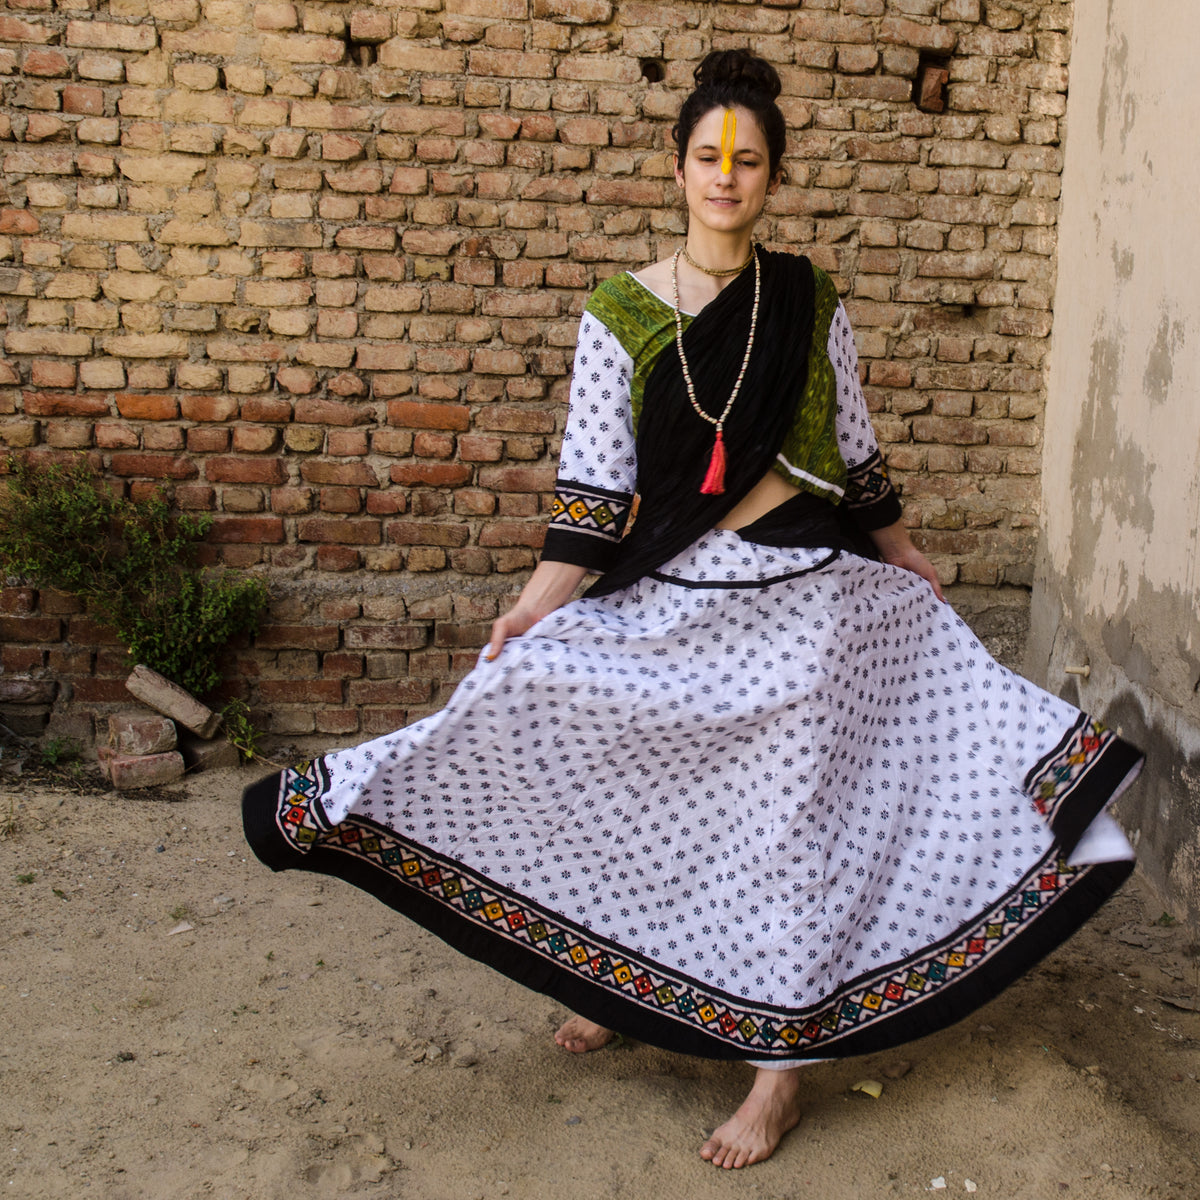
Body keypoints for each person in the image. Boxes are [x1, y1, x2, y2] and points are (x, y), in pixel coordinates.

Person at [244, 50, 1143, 1170]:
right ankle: (625, 987)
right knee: (604, 766)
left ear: (772, 176)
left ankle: (778, 1077)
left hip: (806, 602)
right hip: (674, 596)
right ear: (677, 168)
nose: (727, 176)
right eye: (709, 157)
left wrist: (905, 554)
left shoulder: (809, 300)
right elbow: (591, 494)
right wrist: (532, 613)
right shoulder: (618, 314)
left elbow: (855, 455)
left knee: (793, 838)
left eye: (749, 160)